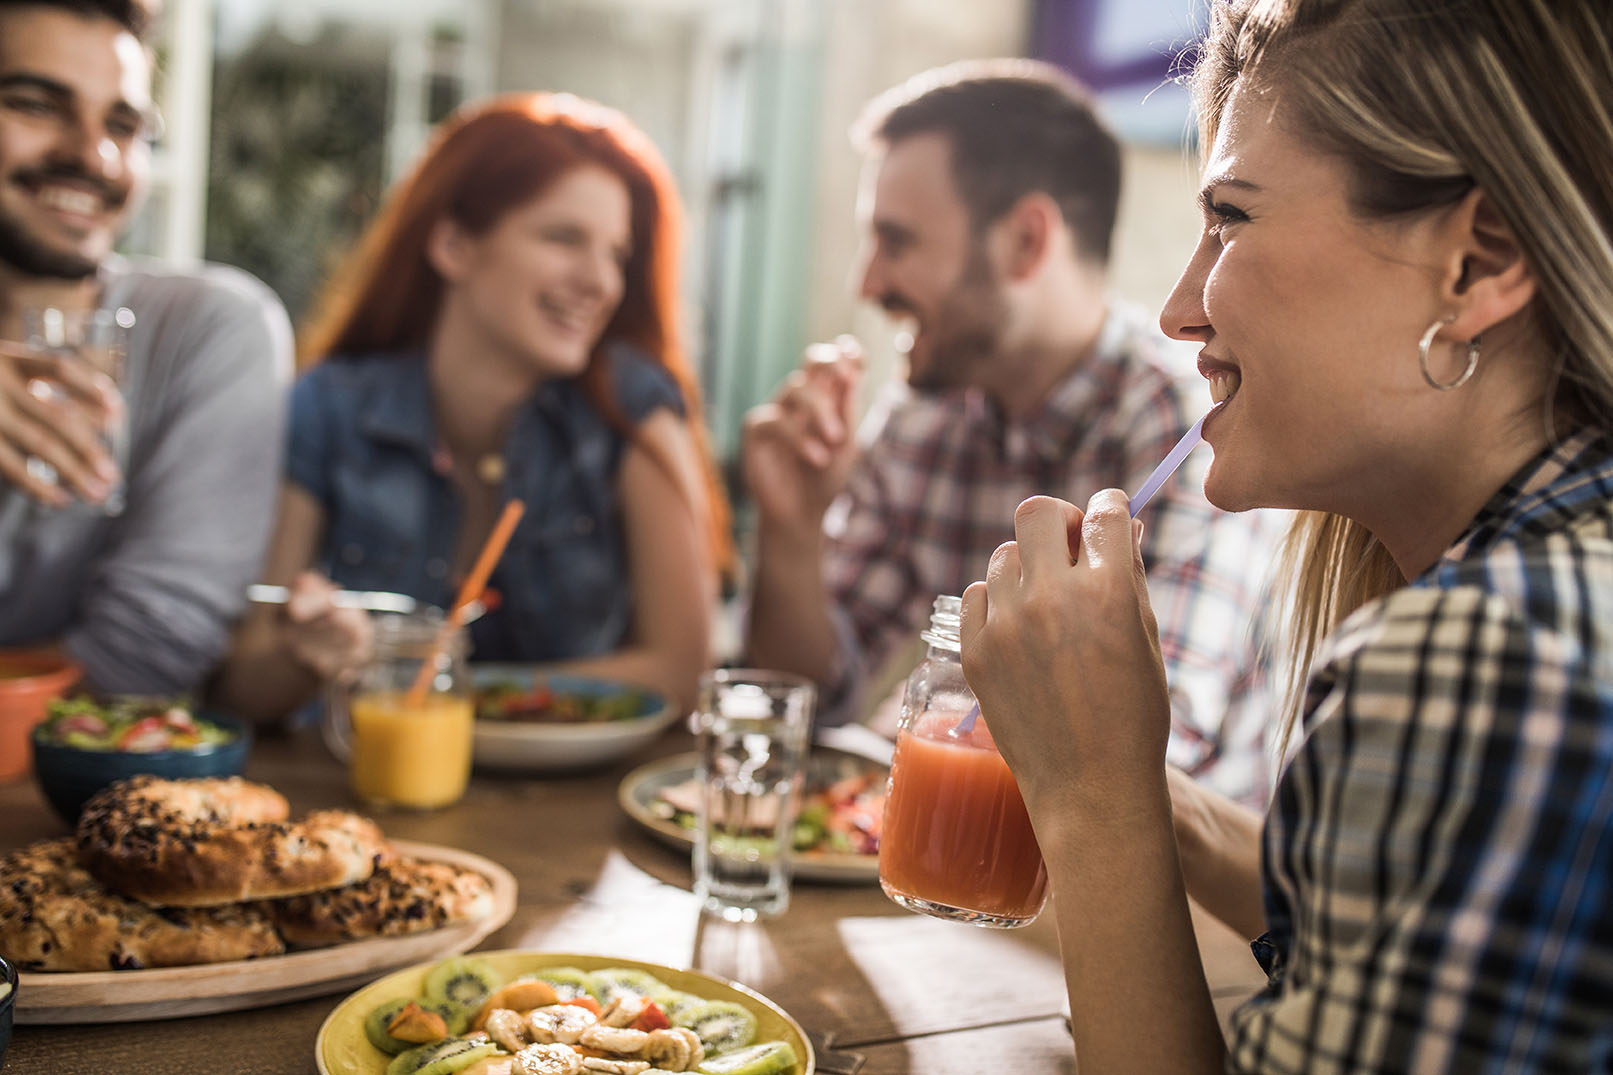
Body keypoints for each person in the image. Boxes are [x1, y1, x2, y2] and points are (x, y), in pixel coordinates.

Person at [960, 0, 1613, 1069]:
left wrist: (1095, 804)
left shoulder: (1486, 657)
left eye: (1230, 218)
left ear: (1477, 260)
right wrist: (1115, 772)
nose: (1179, 310)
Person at [741, 60, 1282, 805]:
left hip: (1182, 898)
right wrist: (792, 530)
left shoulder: (1184, 424)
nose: (865, 284)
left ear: (1026, 241)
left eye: (895, 242)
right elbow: (808, 697)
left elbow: (1152, 752)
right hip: (968, 875)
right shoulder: (924, 411)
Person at [213, 93, 732, 723]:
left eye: (618, 255)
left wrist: (450, 692)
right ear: (455, 244)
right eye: (564, 238)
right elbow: (247, 684)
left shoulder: (633, 405)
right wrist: (305, 654)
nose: (602, 283)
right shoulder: (331, 404)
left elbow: (681, 671)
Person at [0, 0, 292, 695]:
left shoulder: (211, 329)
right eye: (36, 105)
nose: (91, 155)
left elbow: (147, 654)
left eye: (123, 125)